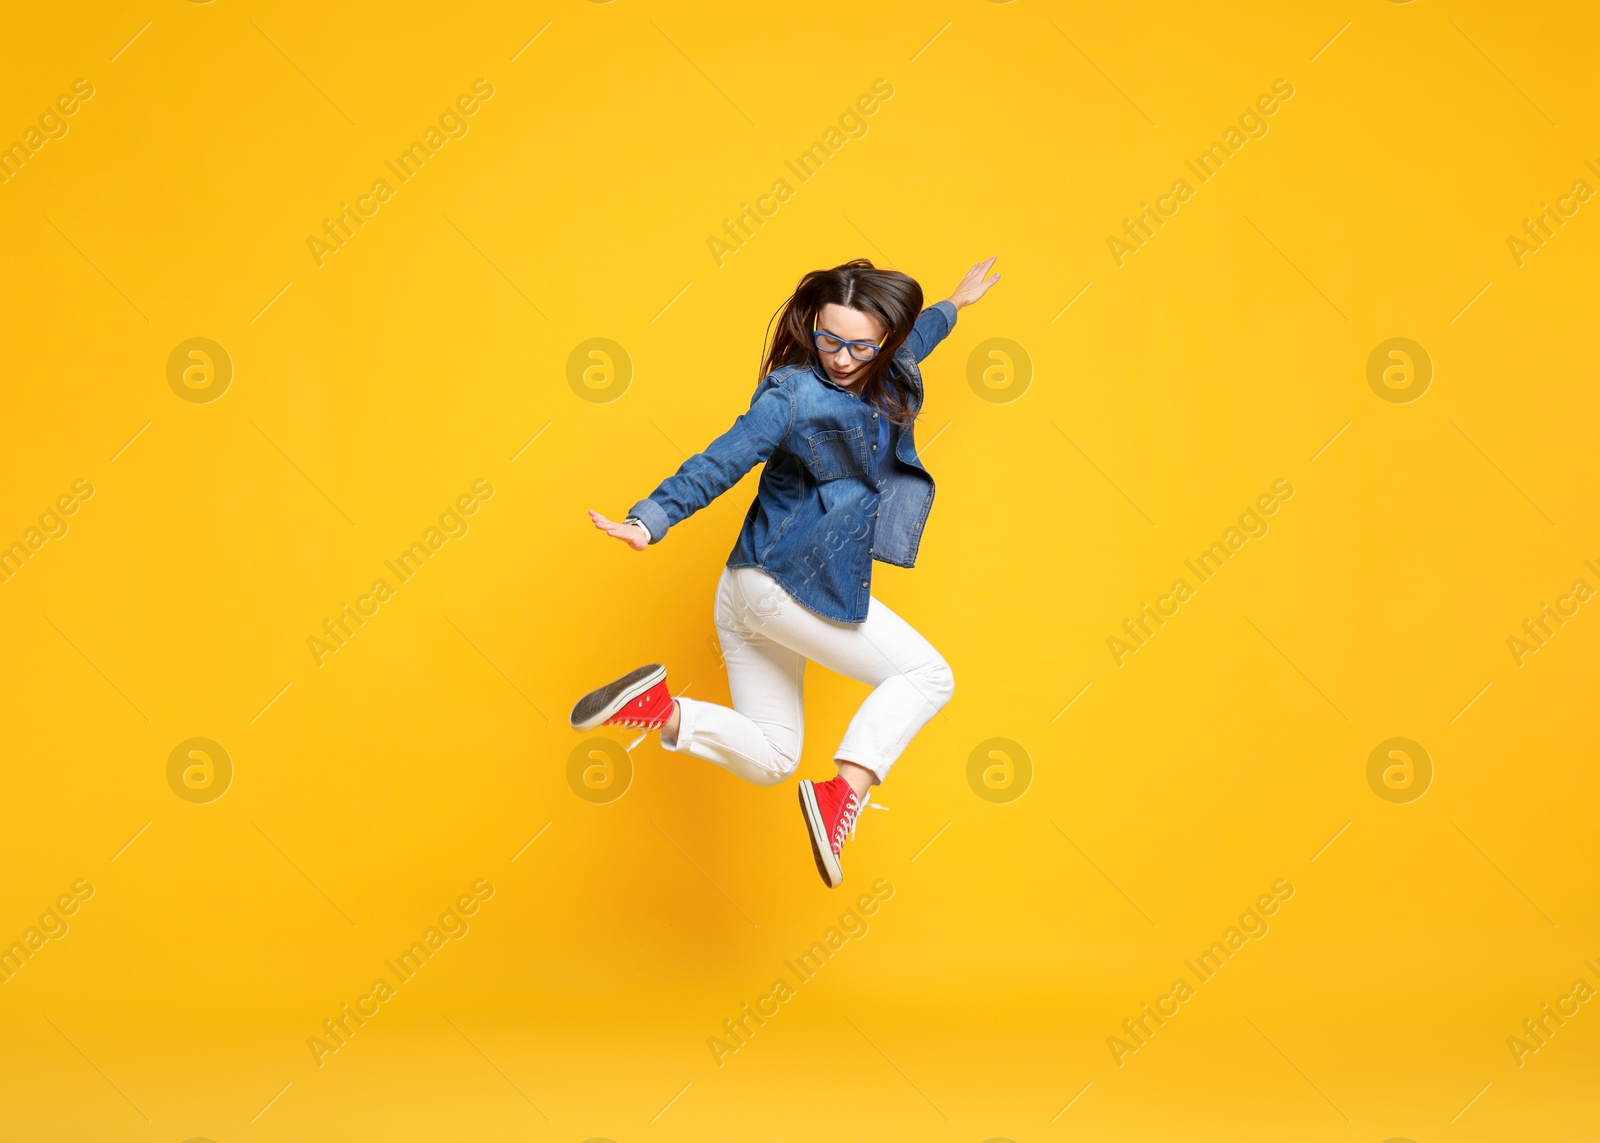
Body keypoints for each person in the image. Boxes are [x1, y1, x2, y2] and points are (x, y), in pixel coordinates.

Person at [571, 256, 1001, 887]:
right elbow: (723, 458)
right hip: (788, 580)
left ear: (884, 339)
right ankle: (842, 792)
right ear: (812, 327)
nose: (843, 357)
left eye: (861, 344)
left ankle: (661, 709)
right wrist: (652, 517)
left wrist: (956, 303)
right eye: (829, 340)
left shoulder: (893, 364)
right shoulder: (792, 395)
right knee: (929, 676)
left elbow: (922, 334)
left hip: (746, 591)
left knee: (773, 756)